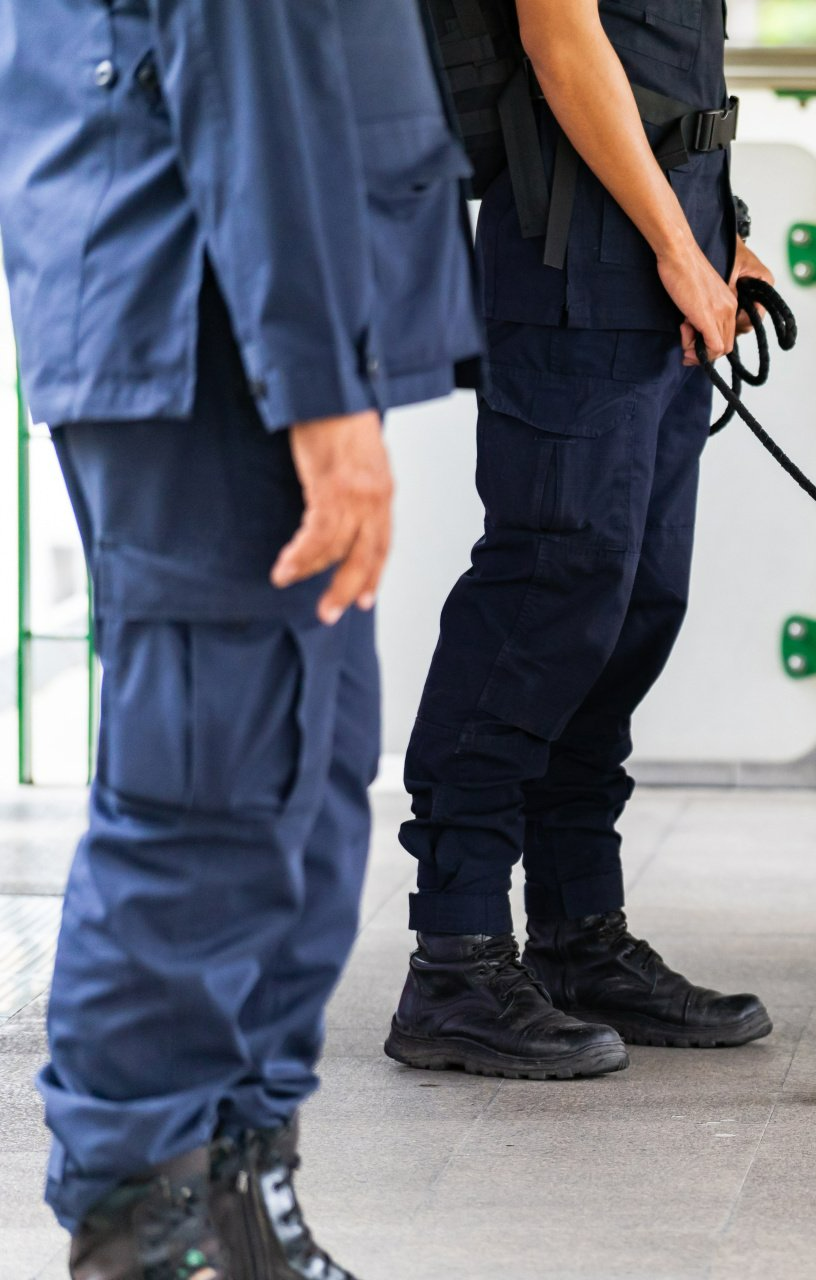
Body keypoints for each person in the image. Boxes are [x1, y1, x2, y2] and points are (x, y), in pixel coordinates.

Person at [0, 0, 481, 1274]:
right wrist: (319, 388)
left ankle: (236, 1189)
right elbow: (246, 42)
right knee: (210, 793)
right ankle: (138, 1219)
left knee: (308, 793)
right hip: (209, 316)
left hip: (245, 307)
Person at [385, 0, 775, 1079]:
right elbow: (562, 41)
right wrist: (674, 245)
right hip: (577, 260)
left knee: (633, 606)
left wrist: (715, 235)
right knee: (545, 599)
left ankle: (577, 933)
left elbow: (664, 58)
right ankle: (455, 954)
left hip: (660, 249)